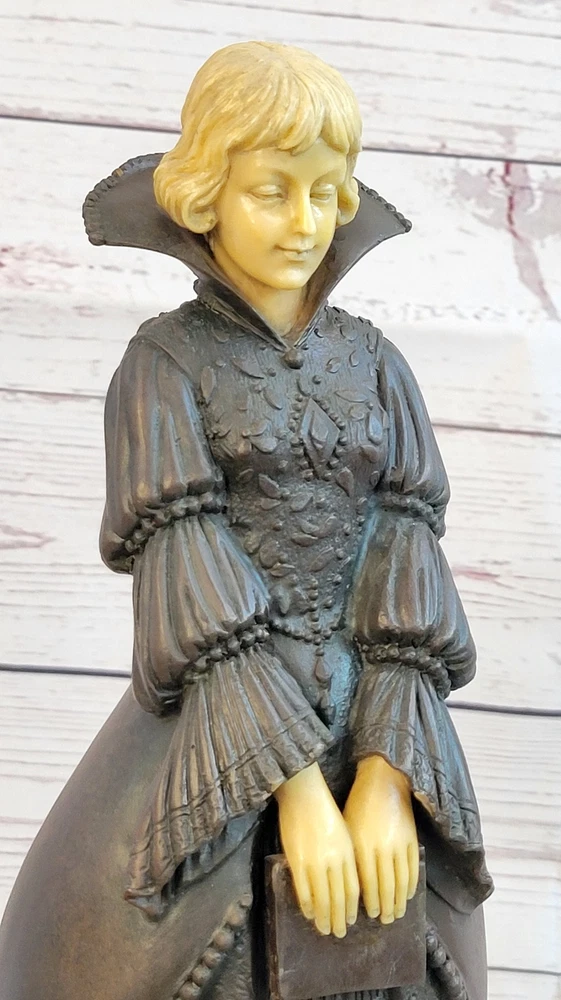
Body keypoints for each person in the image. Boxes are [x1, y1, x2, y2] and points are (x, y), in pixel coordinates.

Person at [0, 41, 493, 1000]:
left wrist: (386, 779)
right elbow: (188, 577)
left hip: (377, 722)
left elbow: (407, 555)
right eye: (272, 191)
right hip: (217, 727)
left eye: (325, 192)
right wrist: (297, 791)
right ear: (205, 192)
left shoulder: (378, 364)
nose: (305, 221)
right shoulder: (162, 367)